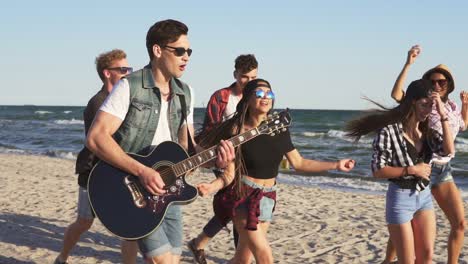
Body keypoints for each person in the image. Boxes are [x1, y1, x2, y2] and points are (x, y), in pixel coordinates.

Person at [85, 19, 234, 264]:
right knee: (162, 260)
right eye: (179, 51)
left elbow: (189, 149)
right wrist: (142, 171)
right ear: (157, 50)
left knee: (172, 261)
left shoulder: (186, 92)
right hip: (132, 187)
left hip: (170, 188)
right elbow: (96, 137)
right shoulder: (129, 86)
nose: (186, 57)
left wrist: (213, 159)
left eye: (189, 51)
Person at [196, 79, 355, 264]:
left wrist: (336, 165)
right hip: (242, 197)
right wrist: (212, 186)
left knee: (242, 259)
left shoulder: (278, 129)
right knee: (265, 256)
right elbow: (229, 172)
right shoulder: (236, 131)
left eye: (269, 94)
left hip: (268, 198)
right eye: (260, 93)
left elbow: (299, 162)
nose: (266, 98)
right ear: (247, 98)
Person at [346, 79, 455, 264]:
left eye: (432, 106)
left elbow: (448, 150)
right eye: (424, 105)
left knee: (427, 257)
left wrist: (443, 114)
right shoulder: (389, 131)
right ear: (412, 102)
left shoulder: (427, 132)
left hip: (424, 196)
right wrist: (412, 169)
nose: (428, 111)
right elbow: (378, 170)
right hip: (400, 199)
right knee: (407, 261)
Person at [384, 45, 467, 264]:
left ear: (449, 84)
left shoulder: (452, 107)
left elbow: (462, 126)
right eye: (433, 81)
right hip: (422, 167)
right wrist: (408, 64)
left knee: (460, 224)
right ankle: (388, 259)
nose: (437, 85)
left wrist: (465, 106)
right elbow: (396, 94)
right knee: (407, 222)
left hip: (444, 169)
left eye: (442, 81)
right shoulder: (422, 102)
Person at [54, 49, 138, 264]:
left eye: (129, 68)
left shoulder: (125, 100)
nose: (128, 73)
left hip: (119, 173)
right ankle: (62, 257)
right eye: (122, 69)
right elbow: (102, 142)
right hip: (92, 172)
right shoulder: (98, 103)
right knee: (84, 222)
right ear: (107, 73)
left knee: (131, 227)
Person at [188, 54, 258, 264]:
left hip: (248, 159)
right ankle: (239, 254)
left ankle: (200, 242)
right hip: (224, 157)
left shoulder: (257, 95)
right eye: (244, 77)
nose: (248, 81)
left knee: (237, 205)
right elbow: (210, 131)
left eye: (253, 77)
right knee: (238, 203)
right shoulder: (221, 97)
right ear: (235, 74)